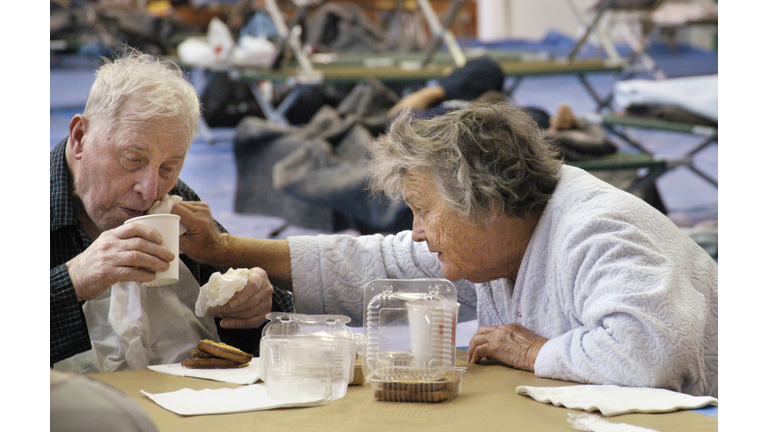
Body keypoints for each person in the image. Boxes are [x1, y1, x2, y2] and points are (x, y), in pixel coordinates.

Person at [175, 102, 717, 397]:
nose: (415, 232)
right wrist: (222, 248)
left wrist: (530, 350)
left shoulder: (598, 232)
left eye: (422, 209)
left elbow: (651, 355)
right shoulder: (500, 240)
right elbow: (375, 264)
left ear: (485, 201)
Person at [50, 48, 292, 370]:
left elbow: (275, 332)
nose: (149, 189)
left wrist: (256, 308)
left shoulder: (172, 202)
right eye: (133, 160)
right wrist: (75, 280)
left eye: (169, 167)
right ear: (80, 138)